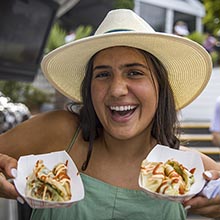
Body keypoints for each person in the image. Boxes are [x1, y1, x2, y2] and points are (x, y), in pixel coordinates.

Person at [0, 9, 220, 220]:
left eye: (134, 73)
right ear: (89, 89)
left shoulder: (188, 168)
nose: (116, 90)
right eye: (103, 74)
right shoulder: (59, 132)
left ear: (160, 87)